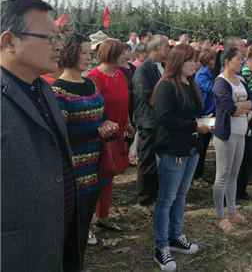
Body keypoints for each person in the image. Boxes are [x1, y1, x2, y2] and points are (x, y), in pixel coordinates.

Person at [1, 0, 80, 271]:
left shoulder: (43, 89)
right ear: (9, 41)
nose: (59, 46)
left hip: (53, 240)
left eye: (59, 37)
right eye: (49, 38)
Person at [52, 34, 119, 265]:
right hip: (75, 173)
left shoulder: (90, 84)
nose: (89, 57)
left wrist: (107, 122)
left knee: (84, 224)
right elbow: (61, 135)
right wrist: (97, 131)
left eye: (90, 53)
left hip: (96, 168)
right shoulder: (58, 91)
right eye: (84, 52)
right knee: (73, 230)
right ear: (70, 53)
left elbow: (100, 113)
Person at [151, 44, 210, 271]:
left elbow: (192, 113)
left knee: (180, 196)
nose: (195, 65)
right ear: (178, 62)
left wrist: (203, 120)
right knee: (166, 198)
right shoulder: (167, 85)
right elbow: (164, 118)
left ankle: (176, 236)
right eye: (190, 61)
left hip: (190, 149)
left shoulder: (190, 84)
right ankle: (161, 246)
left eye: (195, 60)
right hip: (172, 150)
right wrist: (194, 125)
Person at [87, 39, 135, 232]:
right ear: (112, 54)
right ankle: (88, 223)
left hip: (118, 134)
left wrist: (128, 123)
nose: (126, 56)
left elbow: (125, 102)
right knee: (96, 178)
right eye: (123, 53)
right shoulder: (94, 78)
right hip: (101, 137)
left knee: (109, 176)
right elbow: (92, 110)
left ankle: (103, 216)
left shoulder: (119, 75)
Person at [212, 47, 252, 231]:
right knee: (222, 176)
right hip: (227, 134)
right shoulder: (220, 82)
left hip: (241, 132)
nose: (242, 62)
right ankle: (219, 213)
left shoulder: (241, 80)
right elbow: (230, 109)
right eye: (239, 59)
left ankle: (231, 210)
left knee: (233, 175)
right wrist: (243, 107)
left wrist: (242, 106)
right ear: (227, 62)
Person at [132, 35, 171, 212]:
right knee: (147, 161)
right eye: (166, 46)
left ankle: (155, 195)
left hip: (161, 120)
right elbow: (147, 95)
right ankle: (144, 200)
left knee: (160, 161)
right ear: (155, 48)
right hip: (149, 122)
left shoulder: (163, 66)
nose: (168, 49)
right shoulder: (143, 69)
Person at [193, 48, 217, 180]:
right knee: (202, 145)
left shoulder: (214, 71)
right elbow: (212, 88)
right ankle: (197, 174)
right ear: (206, 61)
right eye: (213, 59)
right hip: (206, 113)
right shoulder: (202, 74)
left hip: (214, 112)